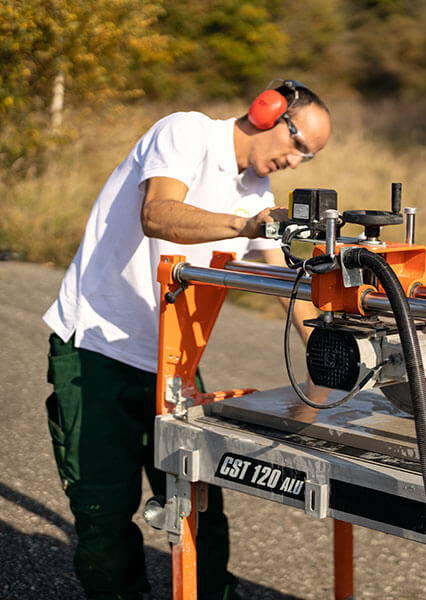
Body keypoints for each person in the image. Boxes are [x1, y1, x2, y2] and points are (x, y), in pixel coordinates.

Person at [42, 79, 331, 600]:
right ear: (268, 111)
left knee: (198, 500)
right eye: (299, 146)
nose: (297, 162)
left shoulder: (256, 192)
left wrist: (326, 356)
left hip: (173, 357)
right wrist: (245, 226)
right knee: (104, 514)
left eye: (308, 158)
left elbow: (287, 288)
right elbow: (158, 214)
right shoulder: (185, 132)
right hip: (98, 349)